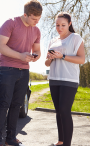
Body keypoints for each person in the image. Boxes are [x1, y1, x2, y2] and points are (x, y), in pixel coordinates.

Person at [0, 1, 43, 146]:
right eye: (34, 19)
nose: (36, 22)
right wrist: (20, 56)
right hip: (8, 69)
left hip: (24, 71)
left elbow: (37, 50)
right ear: (25, 14)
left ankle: (10, 138)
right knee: (4, 103)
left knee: (17, 105)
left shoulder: (36, 30)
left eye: (39, 19)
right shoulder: (10, 23)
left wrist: (36, 55)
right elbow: (0, 46)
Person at [45, 12, 85, 146]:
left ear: (69, 24)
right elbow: (46, 63)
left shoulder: (75, 37)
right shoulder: (53, 41)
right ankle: (61, 141)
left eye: (63, 25)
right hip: (54, 78)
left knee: (64, 109)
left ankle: (67, 144)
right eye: (57, 25)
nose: (59, 28)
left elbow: (81, 59)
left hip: (70, 79)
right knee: (58, 111)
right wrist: (50, 58)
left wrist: (62, 56)